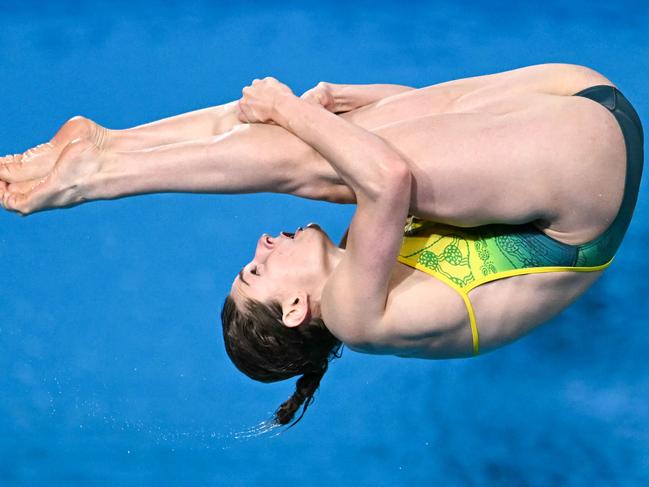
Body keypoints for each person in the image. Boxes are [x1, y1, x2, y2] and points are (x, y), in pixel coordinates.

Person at [0, 63, 643, 428]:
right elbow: (389, 179)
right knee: (315, 159)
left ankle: (112, 143)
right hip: (589, 179)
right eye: (256, 270)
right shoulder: (360, 318)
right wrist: (287, 107)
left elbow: (435, 132)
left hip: (574, 106)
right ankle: (97, 174)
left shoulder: (358, 256)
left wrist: (347, 103)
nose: (261, 244)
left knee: (330, 144)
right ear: (297, 310)